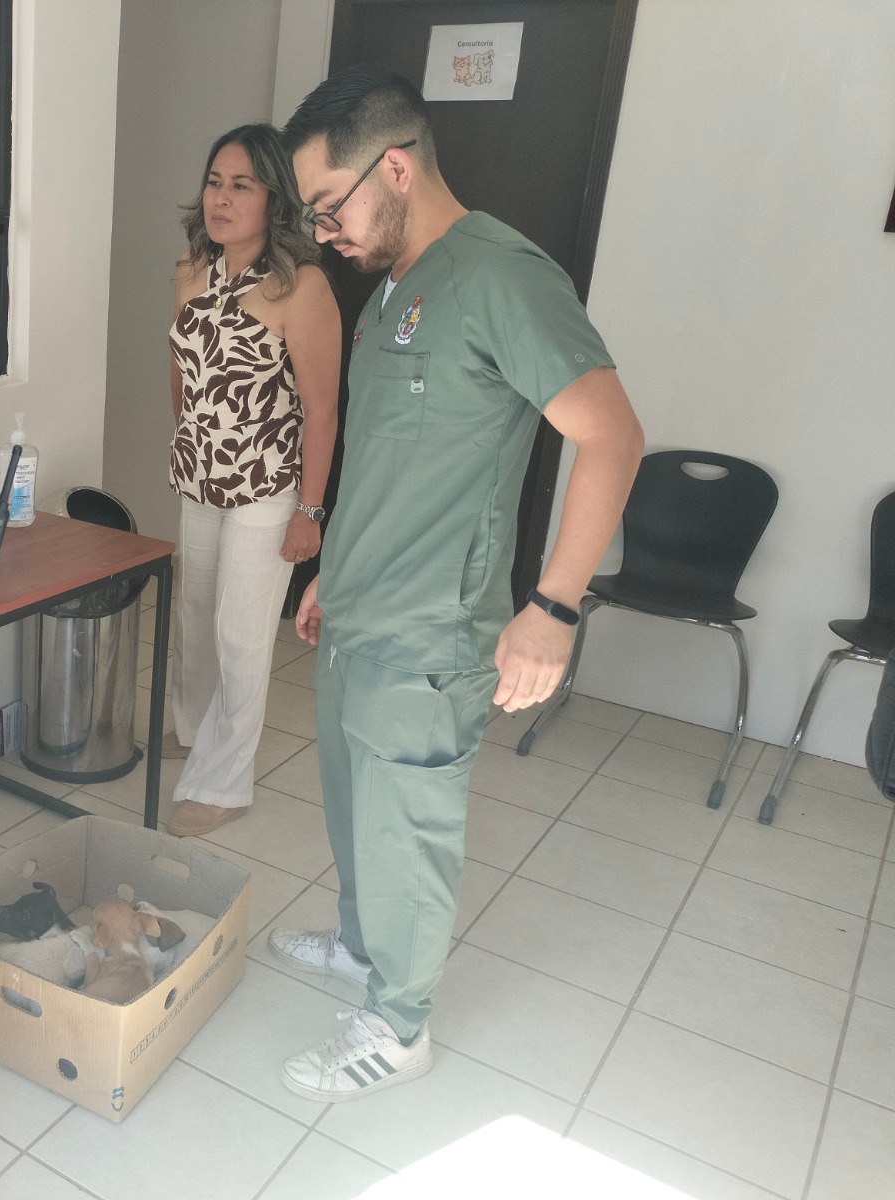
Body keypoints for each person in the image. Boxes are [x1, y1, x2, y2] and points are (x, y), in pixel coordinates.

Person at [267, 67, 644, 1100]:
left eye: (328, 206)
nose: (322, 234)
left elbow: (612, 438)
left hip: (431, 628)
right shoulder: (394, 284)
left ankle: (398, 1027)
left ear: (395, 168)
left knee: (407, 831)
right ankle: (362, 944)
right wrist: (330, 572)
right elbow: (390, 456)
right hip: (359, 610)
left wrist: (552, 607)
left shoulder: (503, 278)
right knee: (354, 808)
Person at [164, 123, 340, 839]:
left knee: (240, 635)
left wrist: (311, 511)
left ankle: (224, 783)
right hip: (199, 478)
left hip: (267, 487)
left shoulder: (301, 286)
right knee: (194, 615)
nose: (222, 198)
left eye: (242, 185)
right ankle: (192, 730)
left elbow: (323, 410)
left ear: (275, 198)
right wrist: (186, 442)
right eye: (215, 182)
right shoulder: (190, 270)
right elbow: (180, 369)